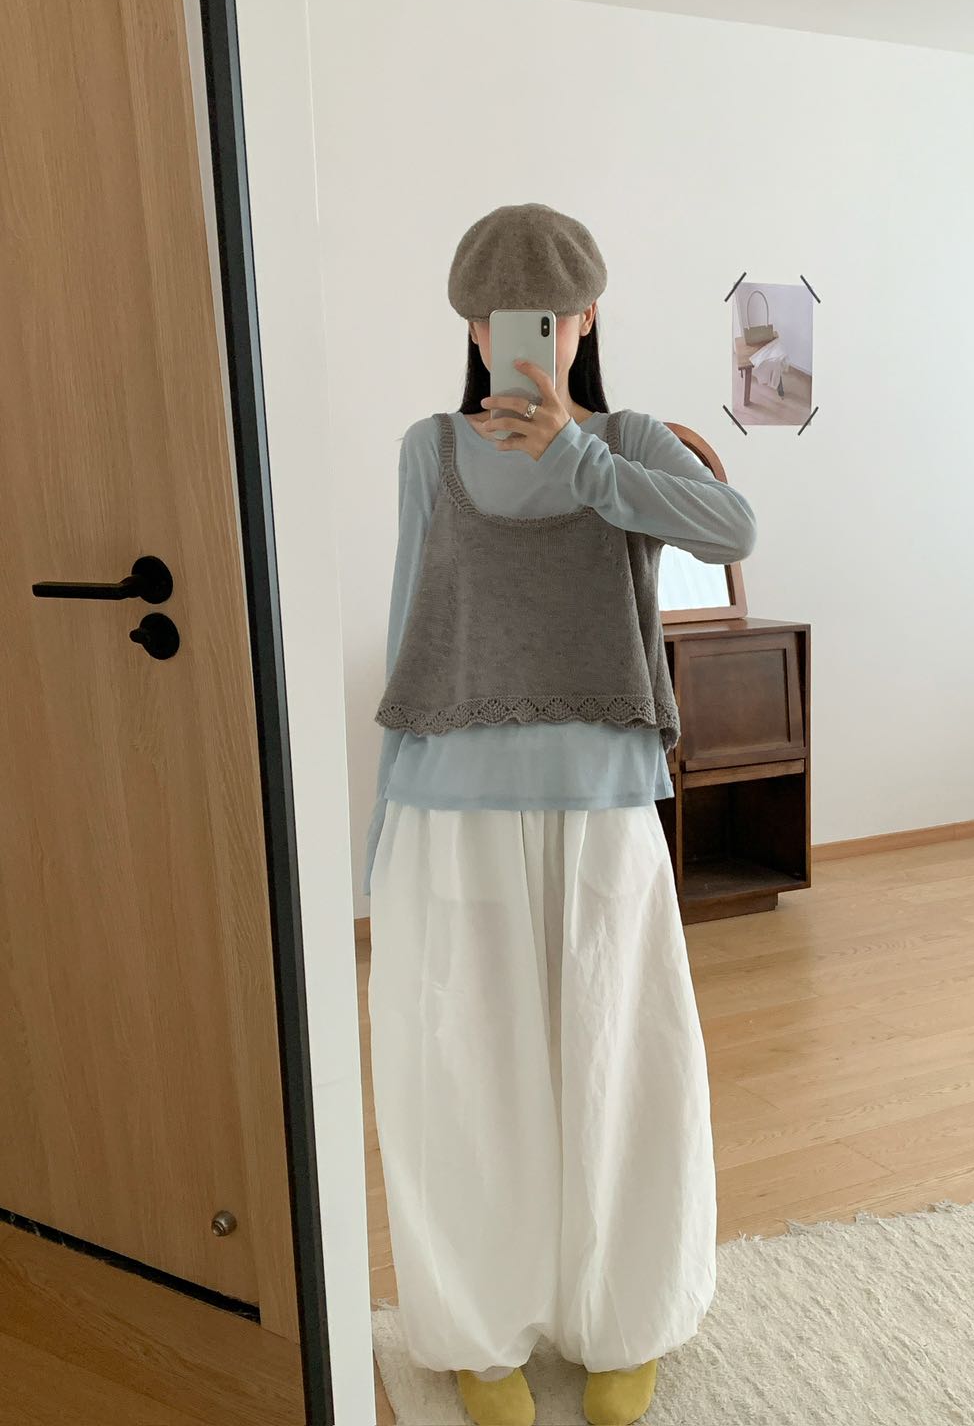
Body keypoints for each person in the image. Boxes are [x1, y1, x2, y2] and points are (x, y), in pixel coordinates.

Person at [364, 203, 757, 1426]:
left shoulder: (630, 444)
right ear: (475, 331)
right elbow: (411, 633)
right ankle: (478, 1330)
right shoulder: (428, 451)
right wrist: (380, 827)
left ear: (585, 322)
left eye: (553, 315)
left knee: (620, 1063)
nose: (525, 336)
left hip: (600, 802)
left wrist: (580, 455)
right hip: (453, 809)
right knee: (465, 1072)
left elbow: (734, 529)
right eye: (502, 319)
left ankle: (623, 1317)